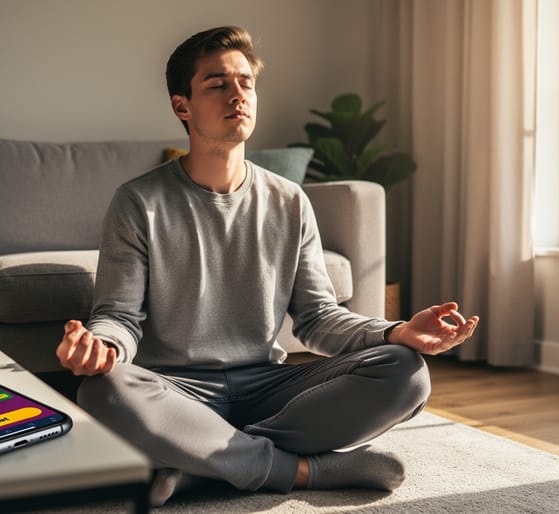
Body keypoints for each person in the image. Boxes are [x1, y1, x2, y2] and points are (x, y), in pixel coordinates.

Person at [56, 25, 479, 507]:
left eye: (245, 83)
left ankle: (203, 462)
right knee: (102, 389)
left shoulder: (289, 200)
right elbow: (120, 317)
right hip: (176, 389)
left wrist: (395, 333)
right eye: (217, 84)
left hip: (267, 385)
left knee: (407, 371)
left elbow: (318, 318)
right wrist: (101, 346)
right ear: (182, 106)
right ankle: (302, 471)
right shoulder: (138, 202)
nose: (237, 94)